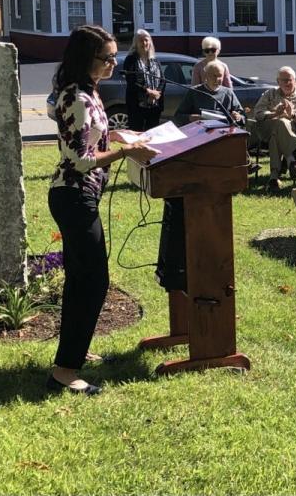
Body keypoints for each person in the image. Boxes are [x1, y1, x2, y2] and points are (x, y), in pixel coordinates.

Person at [48, 25, 158, 395]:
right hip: (74, 195)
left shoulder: (89, 92)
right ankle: (65, 371)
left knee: (82, 280)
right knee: (93, 281)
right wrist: (127, 152)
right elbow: (80, 160)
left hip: (81, 196)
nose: (114, 63)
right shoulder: (76, 97)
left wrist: (123, 138)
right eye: (106, 57)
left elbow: (93, 137)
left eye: (114, 56)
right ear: (86, 58)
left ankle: (74, 353)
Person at [252, 66, 296, 191]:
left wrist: (293, 115)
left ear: (295, 80)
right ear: (278, 81)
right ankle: (292, 161)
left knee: (277, 134)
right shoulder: (269, 94)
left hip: (292, 132)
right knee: (279, 122)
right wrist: (274, 113)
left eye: (290, 80)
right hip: (267, 130)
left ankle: (274, 178)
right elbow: (257, 113)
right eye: (284, 80)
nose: (287, 83)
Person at [174, 59, 245, 127]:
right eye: (214, 76)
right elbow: (178, 117)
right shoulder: (194, 92)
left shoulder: (228, 93)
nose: (217, 79)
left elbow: (242, 116)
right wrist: (191, 117)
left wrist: (238, 117)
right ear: (206, 76)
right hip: (200, 133)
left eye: (219, 76)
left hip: (223, 132)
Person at [121, 29, 164, 132]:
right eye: (141, 40)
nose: (144, 43)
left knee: (153, 134)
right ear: (136, 43)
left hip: (154, 106)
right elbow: (131, 81)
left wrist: (157, 93)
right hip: (136, 106)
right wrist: (148, 91)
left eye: (146, 40)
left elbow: (162, 79)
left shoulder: (155, 60)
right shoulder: (130, 59)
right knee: (137, 135)